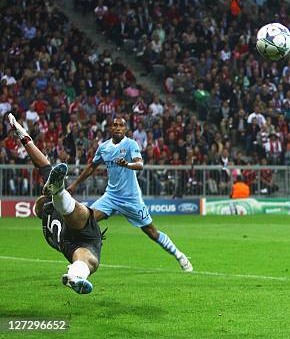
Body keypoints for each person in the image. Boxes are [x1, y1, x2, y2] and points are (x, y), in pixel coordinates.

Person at [66, 117, 193, 272]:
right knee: (85, 222)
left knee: (152, 232)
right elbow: (92, 166)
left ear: (125, 129)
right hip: (111, 196)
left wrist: (127, 164)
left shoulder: (130, 144)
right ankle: (79, 263)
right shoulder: (104, 147)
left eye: (121, 125)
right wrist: (74, 185)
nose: (118, 128)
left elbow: (140, 164)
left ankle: (179, 255)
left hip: (131, 199)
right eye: (115, 125)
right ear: (110, 128)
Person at [7, 113, 101, 294]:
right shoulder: (48, 207)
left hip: (68, 242)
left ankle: (74, 277)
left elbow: (40, 162)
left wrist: (24, 138)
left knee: (87, 262)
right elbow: (42, 162)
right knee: (89, 252)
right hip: (78, 234)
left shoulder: (47, 226)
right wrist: (23, 137)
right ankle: (59, 190)